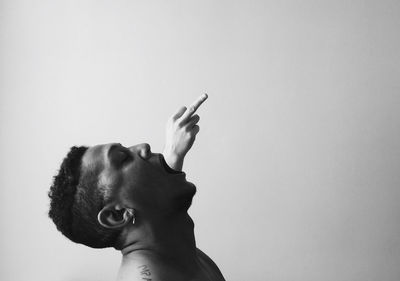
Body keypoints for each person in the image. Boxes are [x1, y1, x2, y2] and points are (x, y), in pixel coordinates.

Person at [48, 94, 226, 281]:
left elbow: (153, 197)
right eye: (123, 158)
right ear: (117, 215)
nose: (144, 146)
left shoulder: (182, 254)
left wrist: (168, 160)